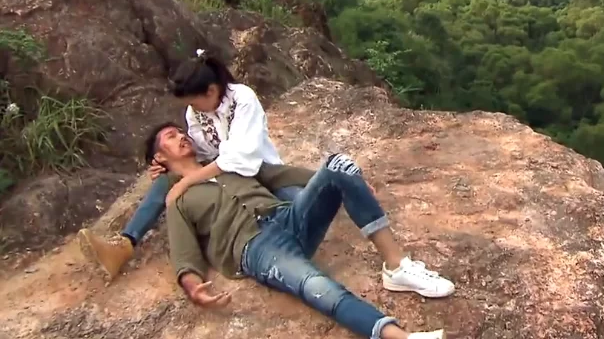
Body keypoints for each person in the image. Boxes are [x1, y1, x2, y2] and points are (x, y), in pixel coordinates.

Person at [153, 122, 455, 339]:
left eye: (180, 131)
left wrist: (346, 180)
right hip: (256, 246)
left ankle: (397, 268)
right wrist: (193, 287)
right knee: (316, 285)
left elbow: (279, 174)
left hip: (287, 217)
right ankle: (398, 336)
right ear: (160, 158)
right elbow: (183, 252)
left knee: (339, 164)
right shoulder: (177, 199)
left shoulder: (226, 162)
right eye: (170, 136)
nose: (181, 136)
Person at [78, 50, 311, 279]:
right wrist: (167, 164)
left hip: (259, 172)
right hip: (230, 179)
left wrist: (186, 180)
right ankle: (124, 245)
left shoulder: (242, 99)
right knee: (167, 182)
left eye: (193, 102)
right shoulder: (195, 114)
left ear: (211, 91)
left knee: (308, 205)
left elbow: (238, 157)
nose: (192, 110)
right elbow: (200, 151)